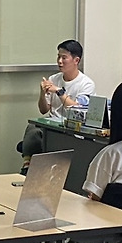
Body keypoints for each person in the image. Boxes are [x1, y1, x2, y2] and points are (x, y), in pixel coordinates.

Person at [18, 40, 96, 171]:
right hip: (52, 127)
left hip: (72, 130)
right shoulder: (54, 78)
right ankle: (27, 165)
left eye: (64, 58)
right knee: (33, 127)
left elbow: (77, 110)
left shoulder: (86, 84)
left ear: (76, 60)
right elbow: (43, 110)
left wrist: (59, 92)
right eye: (58, 57)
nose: (59, 61)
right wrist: (42, 93)